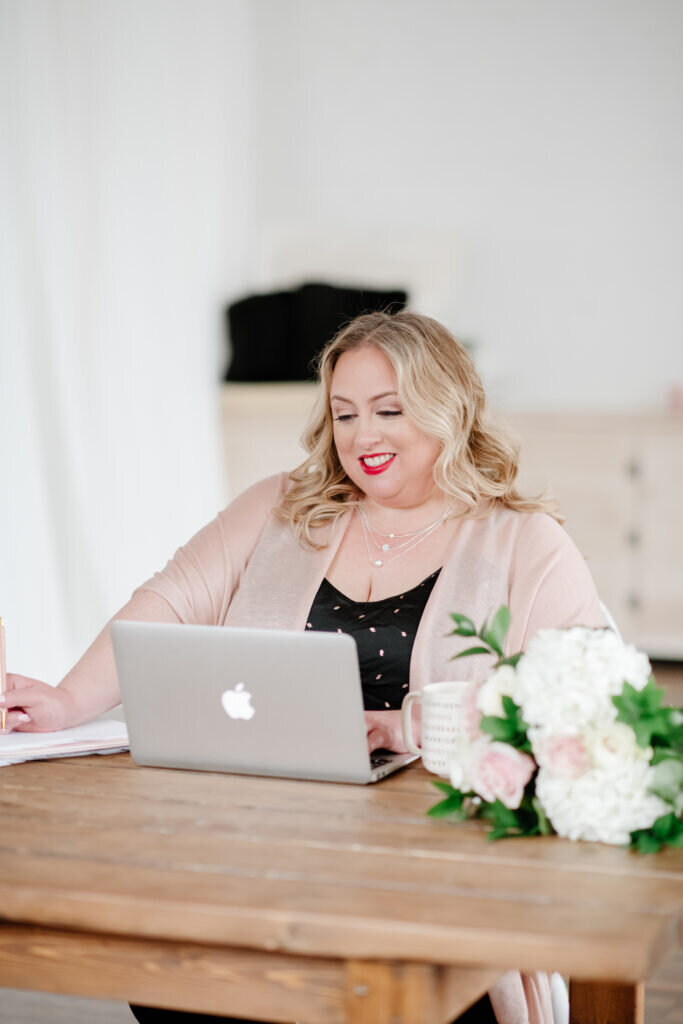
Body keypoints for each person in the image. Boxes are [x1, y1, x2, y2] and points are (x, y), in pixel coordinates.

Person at [1, 311, 604, 1024]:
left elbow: (587, 699)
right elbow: (171, 597)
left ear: (449, 406)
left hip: (429, 867)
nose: (361, 437)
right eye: (343, 414)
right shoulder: (283, 506)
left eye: (389, 409)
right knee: (175, 974)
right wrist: (68, 701)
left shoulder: (522, 539)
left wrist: (401, 724)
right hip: (266, 845)